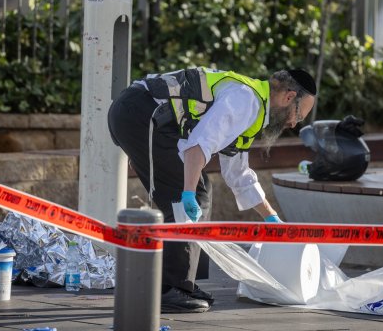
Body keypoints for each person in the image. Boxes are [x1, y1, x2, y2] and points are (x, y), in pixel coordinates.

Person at [107, 67, 317, 313]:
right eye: (298, 115)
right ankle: (169, 289)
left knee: (201, 188)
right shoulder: (245, 100)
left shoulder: (253, 107)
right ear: (289, 97)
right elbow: (198, 145)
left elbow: (237, 173)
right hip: (140, 113)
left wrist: (271, 218)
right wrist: (187, 193)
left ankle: (181, 284)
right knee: (190, 193)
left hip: (142, 114)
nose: (293, 123)